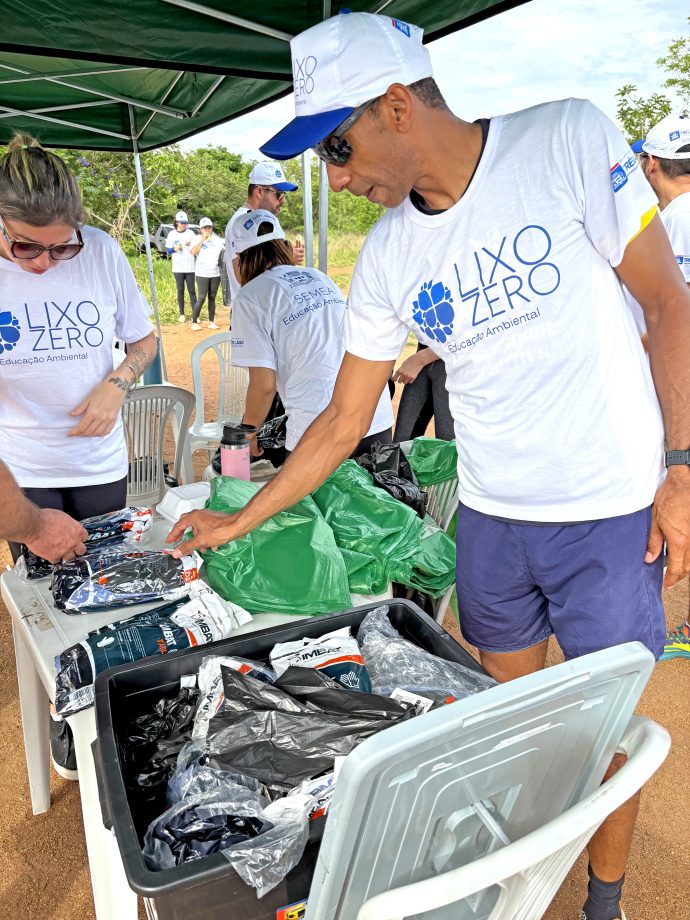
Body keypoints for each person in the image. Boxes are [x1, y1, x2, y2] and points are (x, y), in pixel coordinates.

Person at [168, 13, 690, 920]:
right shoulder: (387, 255)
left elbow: (665, 303)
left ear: (398, 106)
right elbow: (339, 420)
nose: (333, 176)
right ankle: (516, 889)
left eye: (337, 145)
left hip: (607, 512)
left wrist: (681, 467)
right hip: (490, 521)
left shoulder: (565, 137)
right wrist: (236, 520)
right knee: (514, 730)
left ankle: (603, 902)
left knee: (601, 733)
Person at [0, 133, 157, 780]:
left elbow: (143, 342)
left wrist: (117, 383)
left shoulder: (104, 254)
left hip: (99, 465)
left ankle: (110, 706)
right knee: (51, 599)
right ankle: (69, 714)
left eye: (61, 246)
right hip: (22, 469)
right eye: (24, 247)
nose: (44, 263)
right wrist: (28, 524)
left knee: (108, 589)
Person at [230, 209, 393, 455]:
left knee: (311, 494)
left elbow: (264, 384)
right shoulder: (318, 276)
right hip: (372, 414)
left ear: (240, 256)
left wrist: (248, 431)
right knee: (369, 494)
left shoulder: (251, 296)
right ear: (282, 246)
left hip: (318, 426)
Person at [630, 114, 690, 661]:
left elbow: (672, 319)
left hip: (681, 388)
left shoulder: (672, 222)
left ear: (652, 164)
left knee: (677, 489)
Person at [223, 162, 304, 313]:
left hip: (265, 309)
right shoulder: (241, 223)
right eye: (278, 193)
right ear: (259, 191)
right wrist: (286, 257)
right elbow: (242, 274)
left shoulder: (264, 220)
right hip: (252, 312)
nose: (283, 200)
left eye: (283, 195)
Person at [392, 342, 454, 441]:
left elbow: (472, 334)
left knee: (451, 445)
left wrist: (421, 358)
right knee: (402, 442)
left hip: (457, 366)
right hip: (425, 355)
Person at [190, 216, 224, 331]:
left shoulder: (217, 240)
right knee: (201, 297)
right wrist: (202, 240)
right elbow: (193, 252)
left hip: (215, 273)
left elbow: (225, 251)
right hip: (202, 272)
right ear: (201, 229)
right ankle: (194, 321)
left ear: (212, 229)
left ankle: (211, 321)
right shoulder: (196, 239)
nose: (207, 230)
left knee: (212, 297)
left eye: (209, 227)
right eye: (204, 228)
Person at [165, 210, 197, 323]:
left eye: (185, 222)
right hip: (178, 268)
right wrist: (174, 249)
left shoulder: (191, 234)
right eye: (182, 222)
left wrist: (191, 245)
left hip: (190, 267)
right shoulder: (172, 234)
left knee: (192, 290)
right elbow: (167, 251)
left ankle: (195, 315)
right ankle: (182, 314)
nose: (184, 225)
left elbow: (197, 249)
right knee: (180, 290)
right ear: (177, 222)